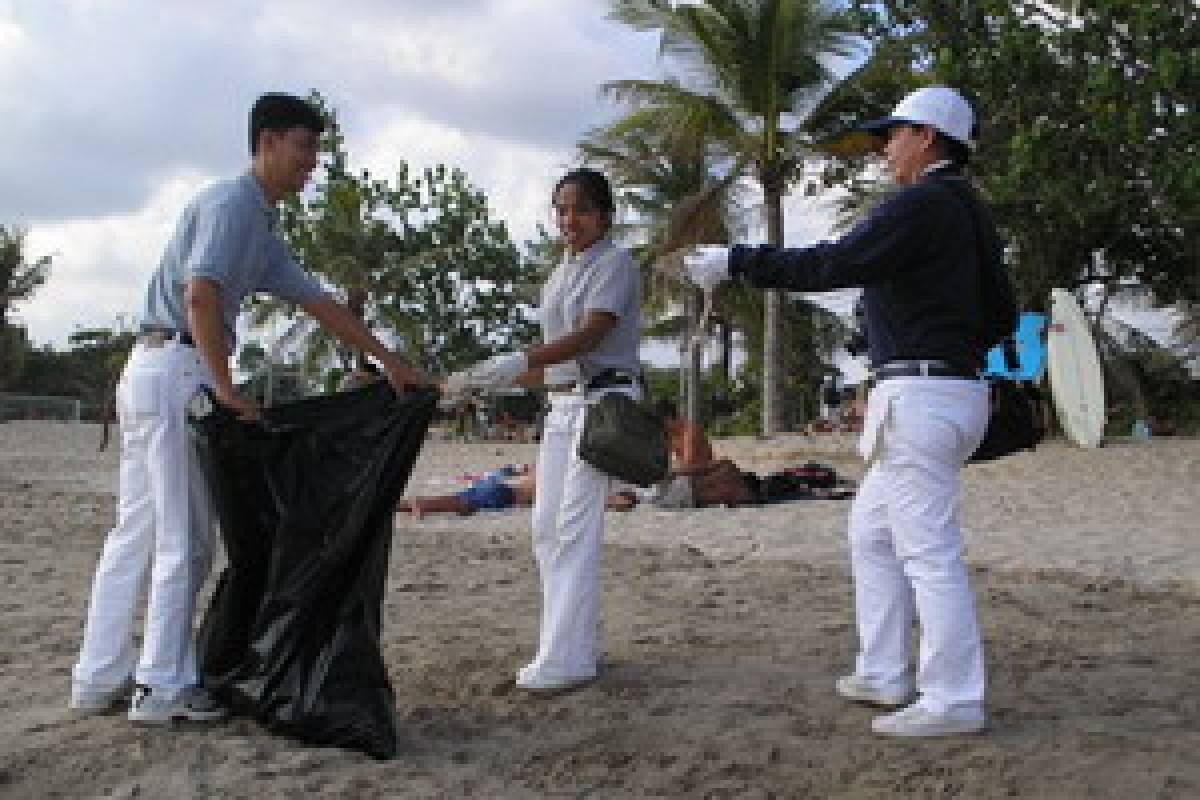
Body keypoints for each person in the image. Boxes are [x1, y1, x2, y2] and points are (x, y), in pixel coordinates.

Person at [70, 93, 427, 725]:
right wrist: (224, 385)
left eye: (316, 149)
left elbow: (320, 302)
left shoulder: (258, 224)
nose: (312, 162)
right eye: (303, 146)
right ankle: (162, 689)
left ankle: (98, 679)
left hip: (152, 369)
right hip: (178, 369)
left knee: (137, 533)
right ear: (266, 142)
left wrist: (388, 360)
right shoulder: (232, 206)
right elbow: (202, 294)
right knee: (186, 540)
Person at [684, 87, 1011, 737]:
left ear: (927, 136)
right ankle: (884, 669)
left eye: (893, 134)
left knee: (928, 551)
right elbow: (1000, 313)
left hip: (921, 395)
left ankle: (953, 698)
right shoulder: (969, 213)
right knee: (872, 531)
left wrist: (736, 261)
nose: (885, 147)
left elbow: (835, 261)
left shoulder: (921, 204)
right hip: (951, 390)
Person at [443, 167, 641, 691]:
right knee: (545, 529)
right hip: (561, 405)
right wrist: (486, 380)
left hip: (603, 404)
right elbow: (552, 362)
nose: (569, 220)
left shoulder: (615, 264)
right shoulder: (560, 273)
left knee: (576, 528)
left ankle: (568, 657)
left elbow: (591, 335)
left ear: (603, 214)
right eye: (561, 210)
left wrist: (514, 360)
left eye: (579, 209)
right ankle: (568, 645)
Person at [397, 468, 638, 519]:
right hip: (503, 494)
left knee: (461, 504)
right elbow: (614, 501)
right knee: (458, 503)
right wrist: (619, 501)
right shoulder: (584, 492)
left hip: (502, 489)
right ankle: (419, 504)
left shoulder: (558, 473)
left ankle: (404, 505)